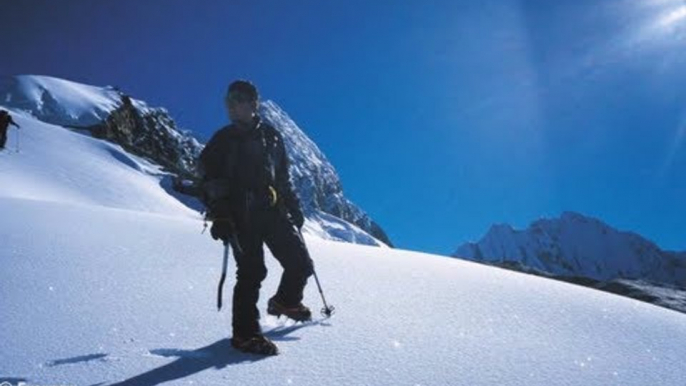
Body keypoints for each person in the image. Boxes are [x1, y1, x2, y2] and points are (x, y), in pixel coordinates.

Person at [198, 80, 314, 356]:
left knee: (300, 263)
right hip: (239, 215)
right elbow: (208, 181)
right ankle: (245, 335)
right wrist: (221, 215)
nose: (230, 104)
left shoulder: (272, 137)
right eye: (228, 99)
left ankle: (285, 302)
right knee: (252, 273)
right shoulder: (222, 140)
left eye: (237, 99)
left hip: (272, 211)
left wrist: (294, 208)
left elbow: (282, 177)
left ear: (253, 103)